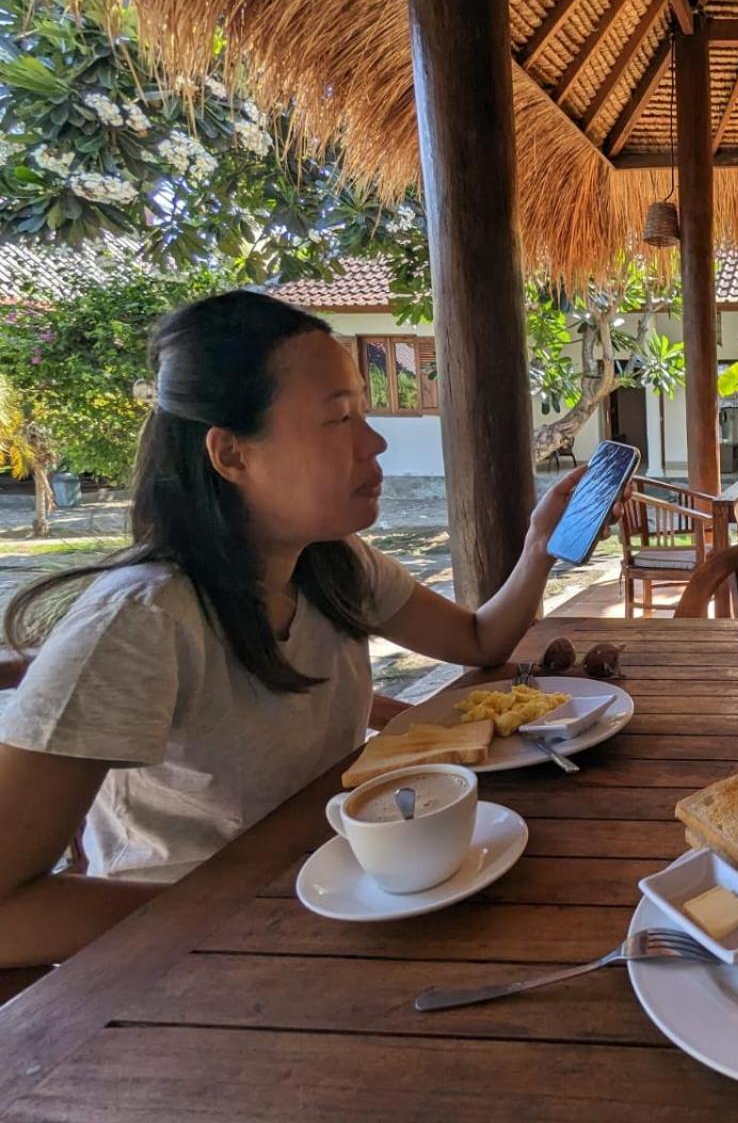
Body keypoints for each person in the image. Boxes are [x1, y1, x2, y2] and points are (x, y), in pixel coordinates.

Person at [0, 291, 591, 970]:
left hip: (341, 897)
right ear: (230, 454)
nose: (373, 441)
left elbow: (480, 642)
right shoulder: (142, 622)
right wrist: (226, 916)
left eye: (363, 412)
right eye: (339, 418)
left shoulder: (333, 565)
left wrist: (541, 543)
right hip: (188, 965)